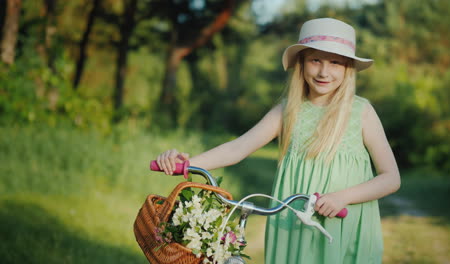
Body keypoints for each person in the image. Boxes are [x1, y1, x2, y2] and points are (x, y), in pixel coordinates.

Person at [155, 18, 400, 263]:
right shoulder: (288, 110)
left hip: (345, 221)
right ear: (302, 63)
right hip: (295, 225)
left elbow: (390, 177)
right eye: (316, 60)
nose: (324, 72)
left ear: (347, 68)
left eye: (335, 62)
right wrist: (187, 164)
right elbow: (238, 148)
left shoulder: (361, 112)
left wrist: (342, 197)